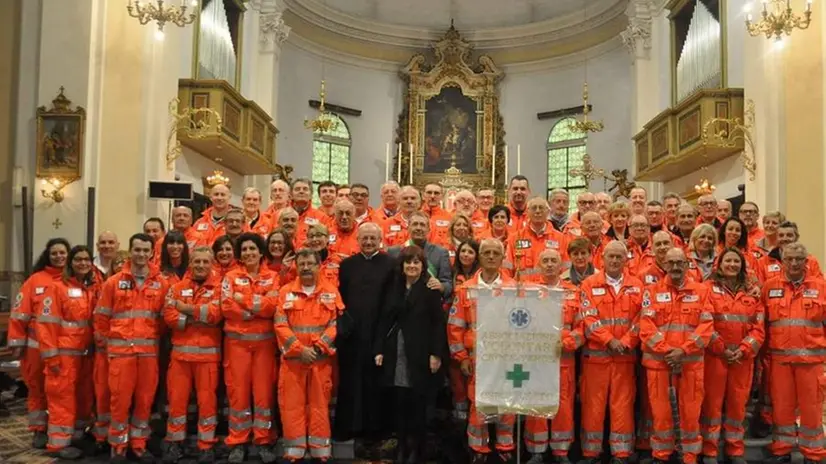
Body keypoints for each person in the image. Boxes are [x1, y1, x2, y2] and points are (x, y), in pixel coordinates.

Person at [95, 233, 170, 462]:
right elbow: (101, 318)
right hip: (121, 354)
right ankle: (117, 445)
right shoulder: (114, 282)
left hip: (148, 353)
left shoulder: (161, 283)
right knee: (119, 401)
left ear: (151, 253)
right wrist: (107, 345)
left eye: (145, 250)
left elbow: (164, 318)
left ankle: (138, 443)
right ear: (130, 250)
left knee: (145, 400)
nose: (141, 254)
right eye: (137, 250)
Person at [639, 247, 714, 464]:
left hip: (691, 366)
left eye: (679, 262)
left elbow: (706, 326)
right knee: (661, 414)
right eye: (670, 263)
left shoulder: (702, 291)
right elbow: (646, 326)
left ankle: (689, 456)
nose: (675, 267)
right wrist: (667, 351)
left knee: (690, 414)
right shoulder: (650, 291)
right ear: (664, 265)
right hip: (659, 365)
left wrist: (684, 350)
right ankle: (661, 455)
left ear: (687, 264)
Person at [373, 245, 446, 464]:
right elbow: (383, 320)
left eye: (416, 262)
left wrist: (436, 354)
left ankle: (418, 451)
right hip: (396, 351)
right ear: (402, 266)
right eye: (408, 262)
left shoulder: (430, 289)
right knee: (399, 404)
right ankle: (402, 448)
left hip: (421, 353)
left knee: (419, 407)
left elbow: (437, 325)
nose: (412, 266)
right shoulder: (393, 288)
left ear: (422, 266)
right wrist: (378, 349)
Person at [448, 238, 517, 464]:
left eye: (495, 253)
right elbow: (455, 325)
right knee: (479, 404)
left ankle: (505, 447)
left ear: (502, 257)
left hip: (507, 358)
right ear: (479, 256)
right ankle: (478, 449)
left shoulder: (514, 288)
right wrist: (462, 357)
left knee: (506, 404)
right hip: (477, 358)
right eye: (486, 252)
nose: (490, 256)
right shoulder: (466, 289)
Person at [334, 223, 396, 456]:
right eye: (365, 238)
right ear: (357, 239)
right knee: (350, 382)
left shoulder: (391, 265)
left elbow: (391, 302)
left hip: (379, 333)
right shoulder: (346, 266)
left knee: (375, 384)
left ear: (380, 239)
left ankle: (375, 432)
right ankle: (350, 428)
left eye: (373, 238)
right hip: (351, 334)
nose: (369, 242)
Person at [275, 249, 342, 462]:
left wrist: (319, 347)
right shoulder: (285, 292)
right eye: (301, 263)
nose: (305, 267)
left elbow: (335, 324)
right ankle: (294, 449)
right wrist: (299, 349)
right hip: (293, 361)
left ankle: (320, 449)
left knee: (320, 405)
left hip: (320, 361)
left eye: (310, 263)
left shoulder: (331, 291)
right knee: (291, 404)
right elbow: (280, 324)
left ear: (318, 265)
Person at [578, 241, 642, 464]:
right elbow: (588, 318)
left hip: (625, 357)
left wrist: (625, 341)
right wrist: (608, 340)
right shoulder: (588, 284)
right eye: (611, 257)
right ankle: (590, 453)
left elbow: (642, 318)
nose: (615, 261)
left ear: (626, 260)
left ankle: (621, 453)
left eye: (619, 257)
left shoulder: (637, 285)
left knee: (622, 405)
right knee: (593, 406)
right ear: (602, 259)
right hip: (596, 359)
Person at [763, 242, 826, 464]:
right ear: (782, 260)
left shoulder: (821, 286)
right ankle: (782, 449)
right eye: (789, 258)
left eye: (799, 258)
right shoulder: (769, 287)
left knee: (811, 409)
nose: (794, 263)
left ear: (806, 261)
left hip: (812, 362)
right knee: (782, 408)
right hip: (780, 361)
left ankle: (813, 454)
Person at [701, 248, 765, 464]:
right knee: (712, 405)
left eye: (736, 261)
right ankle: (710, 450)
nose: (732, 265)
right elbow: (704, 323)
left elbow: (758, 328)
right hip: (715, 357)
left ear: (742, 266)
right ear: (719, 265)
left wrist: (744, 349)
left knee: (738, 406)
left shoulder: (752, 293)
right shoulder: (707, 289)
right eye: (728, 260)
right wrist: (721, 349)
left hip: (741, 359)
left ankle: (735, 450)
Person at [220, 232, 279, 463]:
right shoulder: (230, 277)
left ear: (260, 252)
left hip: (264, 345)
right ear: (240, 254)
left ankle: (263, 440)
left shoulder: (272, 277)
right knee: (238, 394)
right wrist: (255, 309)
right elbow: (226, 306)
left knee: (263, 395)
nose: (248, 253)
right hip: (237, 346)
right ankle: (238, 441)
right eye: (244, 250)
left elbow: (271, 307)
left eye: (252, 249)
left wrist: (242, 301)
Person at [162, 247, 223, 463]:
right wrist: (194, 316)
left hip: (207, 358)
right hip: (180, 358)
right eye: (197, 262)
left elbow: (215, 315)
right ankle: (175, 443)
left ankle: (206, 445)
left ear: (211, 265)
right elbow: (168, 315)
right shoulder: (176, 287)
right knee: (176, 403)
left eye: (205, 262)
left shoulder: (219, 288)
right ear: (190, 264)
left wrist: (184, 308)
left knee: (207, 404)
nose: (200, 266)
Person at [8, 237, 70, 449]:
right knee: (36, 389)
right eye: (55, 253)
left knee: (60, 391)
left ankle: (59, 429)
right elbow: (19, 313)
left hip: (65, 348)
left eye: (63, 253)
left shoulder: (74, 279)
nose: (59, 256)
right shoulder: (35, 280)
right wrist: (17, 342)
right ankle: (38, 429)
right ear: (47, 256)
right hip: (36, 348)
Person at [39, 245, 98, 460]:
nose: (83, 263)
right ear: (70, 263)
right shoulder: (56, 288)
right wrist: (51, 356)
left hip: (84, 355)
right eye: (78, 259)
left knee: (83, 398)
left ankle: (77, 435)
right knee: (61, 398)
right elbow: (46, 326)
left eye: (86, 259)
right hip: (63, 355)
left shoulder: (88, 289)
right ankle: (58, 444)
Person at [524, 249, 581, 464]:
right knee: (536, 402)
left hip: (563, 360)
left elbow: (581, 326)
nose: (549, 265)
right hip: (536, 359)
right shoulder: (529, 291)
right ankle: (537, 450)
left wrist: (566, 344)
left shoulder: (573, 292)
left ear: (561, 266)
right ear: (539, 265)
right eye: (545, 260)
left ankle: (561, 450)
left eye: (553, 261)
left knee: (563, 405)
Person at [387, 211, 453, 300]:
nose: (418, 228)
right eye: (415, 224)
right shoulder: (394, 252)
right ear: (408, 228)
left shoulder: (441, 253)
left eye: (422, 225)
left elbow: (448, 285)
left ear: (429, 229)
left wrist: (441, 286)